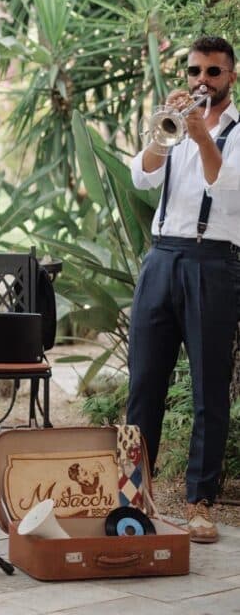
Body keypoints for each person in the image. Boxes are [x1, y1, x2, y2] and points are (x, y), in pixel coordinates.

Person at [128, 35, 240, 544]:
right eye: (195, 71)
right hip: (162, 258)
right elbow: (141, 178)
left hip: (212, 261)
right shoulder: (173, 122)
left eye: (213, 72)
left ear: (231, 77)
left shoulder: (236, 130)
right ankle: (134, 494)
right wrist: (166, 132)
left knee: (208, 389)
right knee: (143, 383)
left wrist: (199, 136)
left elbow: (227, 185)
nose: (202, 81)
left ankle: (199, 501)